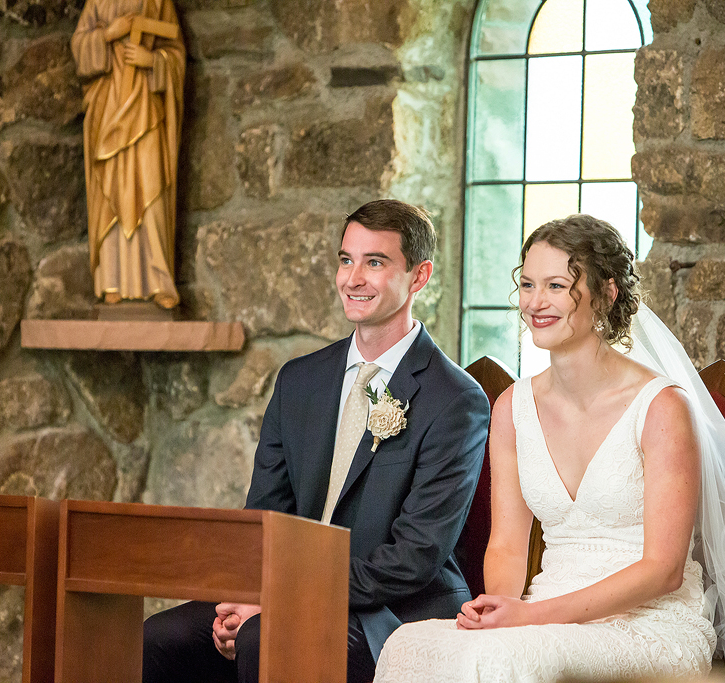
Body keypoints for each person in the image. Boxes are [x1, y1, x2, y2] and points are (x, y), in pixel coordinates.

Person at [375, 214, 725, 683]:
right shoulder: (513, 407)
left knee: (502, 662)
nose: (536, 302)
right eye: (528, 284)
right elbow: (508, 545)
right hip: (544, 615)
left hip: (652, 625)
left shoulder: (661, 407)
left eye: (556, 285)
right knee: (407, 645)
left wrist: (532, 620)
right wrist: (503, 613)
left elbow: (664, 569)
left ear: (608, 293)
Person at [143, 199, 490, 683]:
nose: (353, 278)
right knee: (159, 638)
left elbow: (415, 557)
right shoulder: (299, 380)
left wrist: (279, 596)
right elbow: (266, 514)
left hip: (391, 612)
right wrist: (246, 593)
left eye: (375, 262)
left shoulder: (454, 400)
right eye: (346, 260)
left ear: (419, 276)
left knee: (264, 637)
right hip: (287, 592)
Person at [71, 0, 184, 308]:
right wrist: (108, 34)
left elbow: (176, 53)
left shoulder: (160, 3)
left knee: (152, 188)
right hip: (107, 110)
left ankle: (159, 278)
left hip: (147, 112)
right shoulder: (97, 2)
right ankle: (111, 279)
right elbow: (78, 46)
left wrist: (153, 60)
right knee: (111, 191)